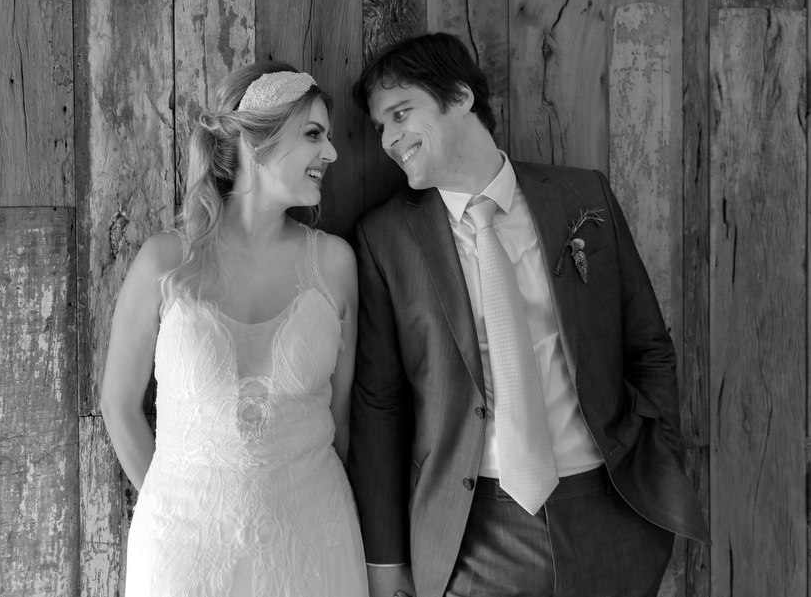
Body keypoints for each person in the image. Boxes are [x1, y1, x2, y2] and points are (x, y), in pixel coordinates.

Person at [348, 32, 710, 597]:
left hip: (611, 510)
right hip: (473, 535)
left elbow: (647, 345)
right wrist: (386, 559)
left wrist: (661, 459)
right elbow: (381, 406)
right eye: (379, 127)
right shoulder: (385, 238)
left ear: (461, 96)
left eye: (401, 113)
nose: (390, 139)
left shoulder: (581, 197)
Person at [100, 61, 367, 596]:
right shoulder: (165, 261)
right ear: (255, 140)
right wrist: (180, 507)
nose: (332, 153)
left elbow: (341, 418)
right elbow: (119, 406)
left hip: (315, 547)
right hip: (181, 553)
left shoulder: (335, 264)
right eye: (313, 134)